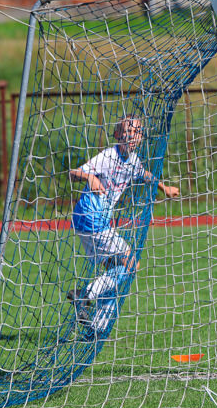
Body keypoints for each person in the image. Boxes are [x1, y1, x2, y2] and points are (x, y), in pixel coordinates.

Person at [67, 116, 179, 330]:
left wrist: (164, 188)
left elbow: (144, 174)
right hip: (92, 218)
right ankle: (83, 295)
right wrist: (90, 177)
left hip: (90, 222)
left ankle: (97, 325)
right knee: (131, 264)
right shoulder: (108, 156)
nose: (132, 136)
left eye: (137, 132)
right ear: (117, 135)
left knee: (117, 271)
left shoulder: (134, 160)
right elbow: (74, 173)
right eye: (127, 131)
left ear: (140, 138)